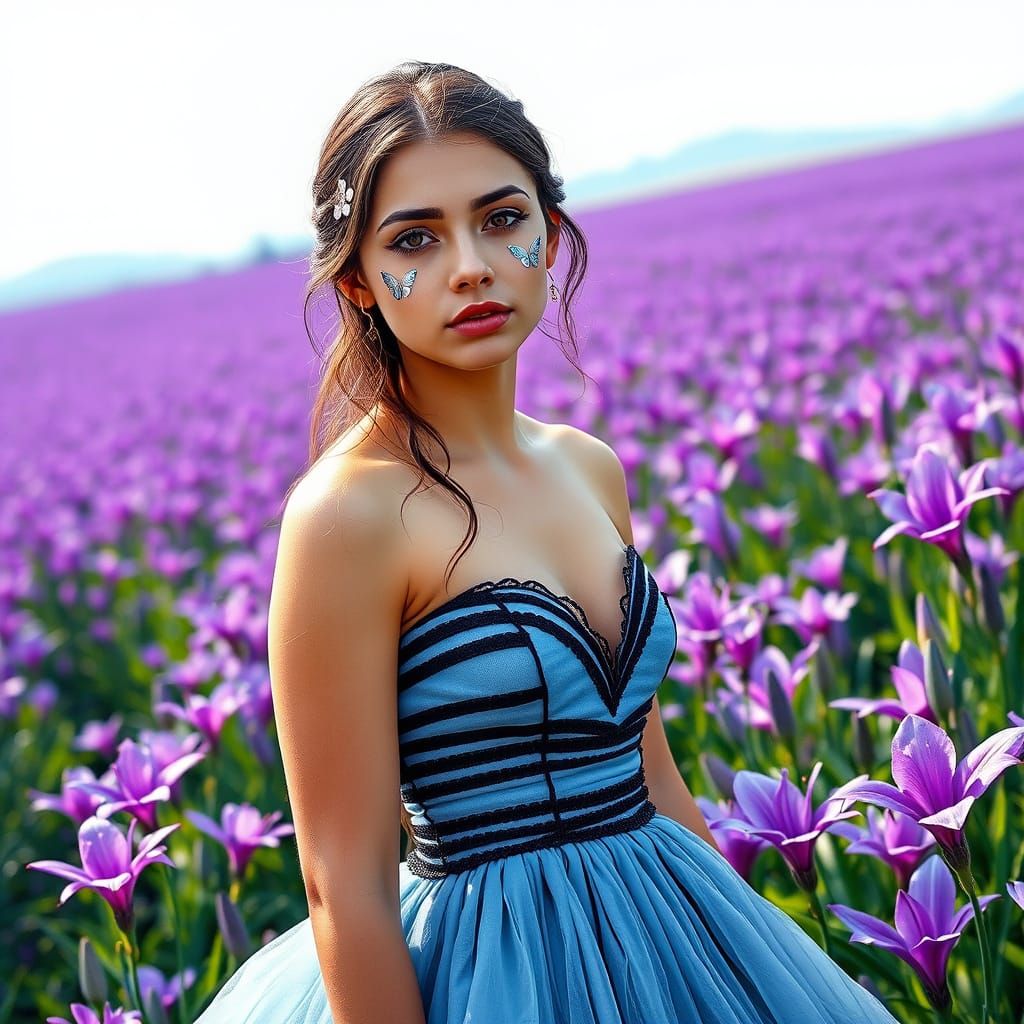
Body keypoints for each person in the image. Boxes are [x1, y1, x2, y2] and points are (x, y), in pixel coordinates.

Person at [195, 61, 902, 1024]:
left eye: (501, 218)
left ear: (550, 233)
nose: (471, 264)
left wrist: (744, 965)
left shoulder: (588, 467)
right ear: (359, 281)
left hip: (677, 931)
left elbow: (651, 773)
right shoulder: (346, 517)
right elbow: (342, 885)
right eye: (416, 239)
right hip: (497, 975)